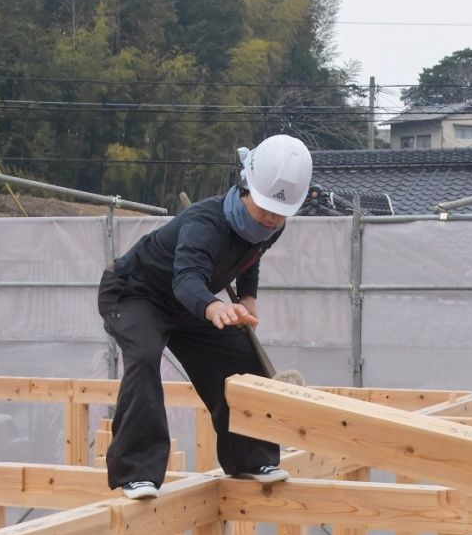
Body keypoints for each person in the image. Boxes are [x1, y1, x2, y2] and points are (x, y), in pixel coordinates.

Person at [97, 134, 312, 499]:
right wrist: (214, 307)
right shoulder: (204, 224)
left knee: (240, 360)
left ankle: (250, 458)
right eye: (265, 210)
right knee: (145, 359)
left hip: (188, 301)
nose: (272, 219)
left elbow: (250, 257)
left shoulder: (273, 225)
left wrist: (247, 299)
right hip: (135, 293)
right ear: (247, 189)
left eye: (280, 214)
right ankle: (136, 473)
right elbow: (186, 280)